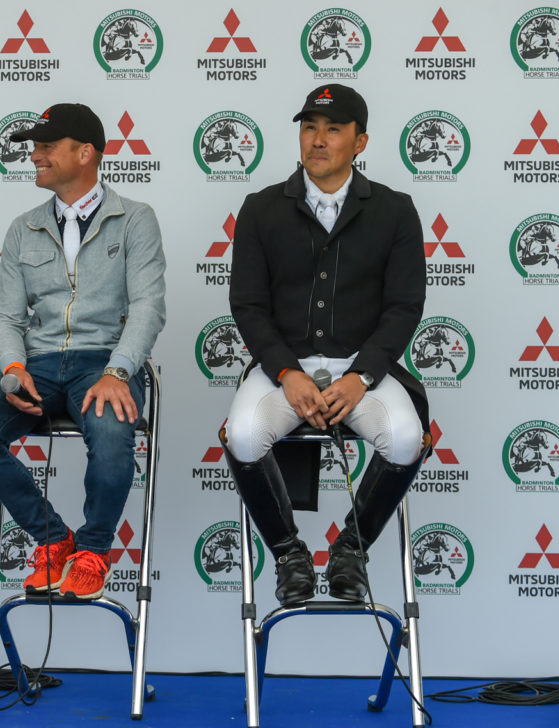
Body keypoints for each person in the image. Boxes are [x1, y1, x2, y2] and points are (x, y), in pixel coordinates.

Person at [220, 85, 430, 607]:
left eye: (333, 129)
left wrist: (360, 378)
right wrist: (286, 372)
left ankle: (350, 551)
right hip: (281, 369)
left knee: (406, 438)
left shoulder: (395, 210)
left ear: (360, 141)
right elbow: (248, 305)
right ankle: (290, 555)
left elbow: (404, 307)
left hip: (362, 372)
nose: (318, 139)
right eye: (309, 127)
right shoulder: (261, 208)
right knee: (243, 435)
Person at [0, 103, 166, 600]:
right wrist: (12, 367)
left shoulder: (135, 218)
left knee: (113, 437)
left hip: (104, 363)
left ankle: (92, 551)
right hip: (39, 366)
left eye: (47, 146)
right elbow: (6, 317)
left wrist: (118, 370)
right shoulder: (23, 227)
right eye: (35, 146)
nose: (35, 155)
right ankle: (53, 538)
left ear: (85, 153)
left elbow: (148, 307)